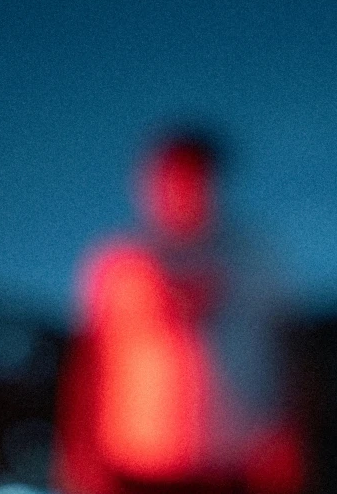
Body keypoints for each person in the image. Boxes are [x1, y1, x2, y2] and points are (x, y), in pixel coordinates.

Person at [52, 128, 305, 494]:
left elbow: (287, 349)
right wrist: (76, 451)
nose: (186, 188)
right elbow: (89, 360)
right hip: (137, 460)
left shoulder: (254, 257)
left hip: (235, 460)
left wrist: (292, 436)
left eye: (197, 176)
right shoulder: (119, 261)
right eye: (174, 176)